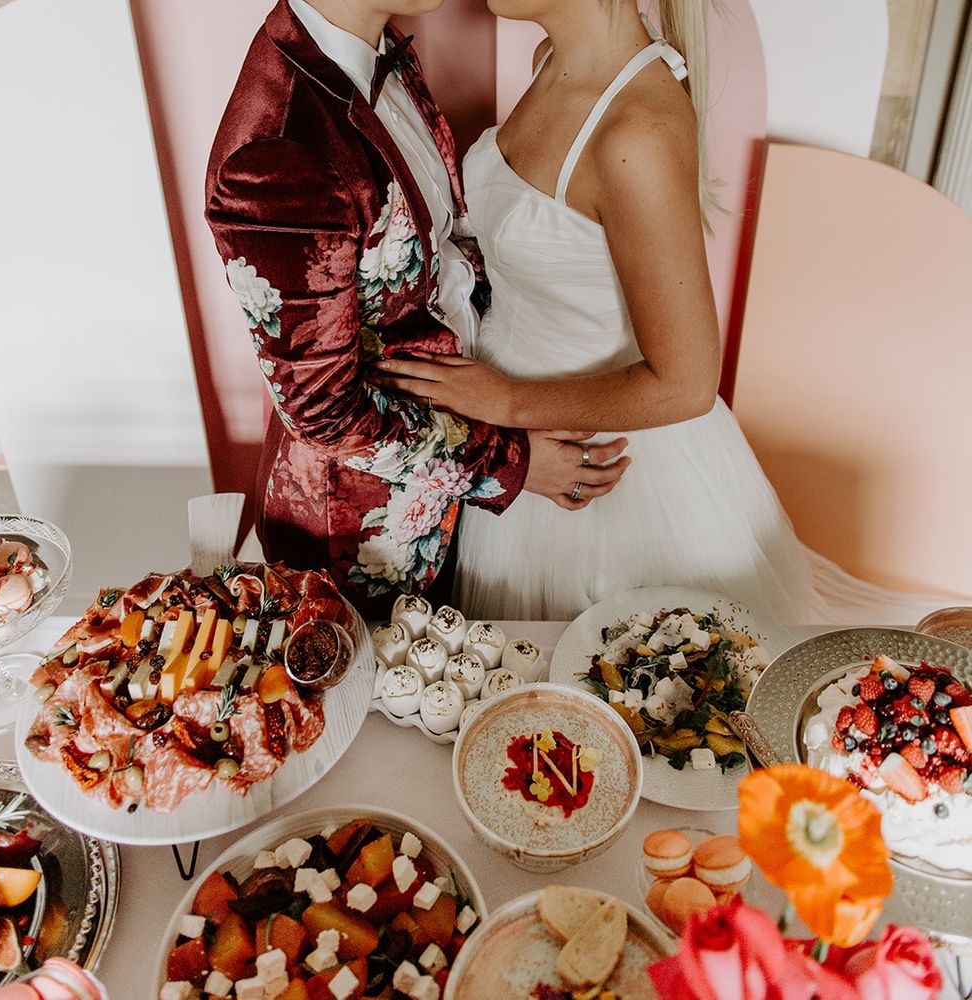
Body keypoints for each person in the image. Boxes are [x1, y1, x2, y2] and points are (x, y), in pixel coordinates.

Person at [371, 0, 946, 625]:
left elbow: (689, 383)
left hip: (600, 463)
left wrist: (506, 403)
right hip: (523, 445)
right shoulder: (551, 62)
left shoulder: (637, 129)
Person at [204, 0, 629, 617]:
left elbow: (443, 254)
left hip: (451, 463)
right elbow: (326, 413)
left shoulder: (373, 49)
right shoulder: (280, 151)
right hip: (364, 542)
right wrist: (513, 463)